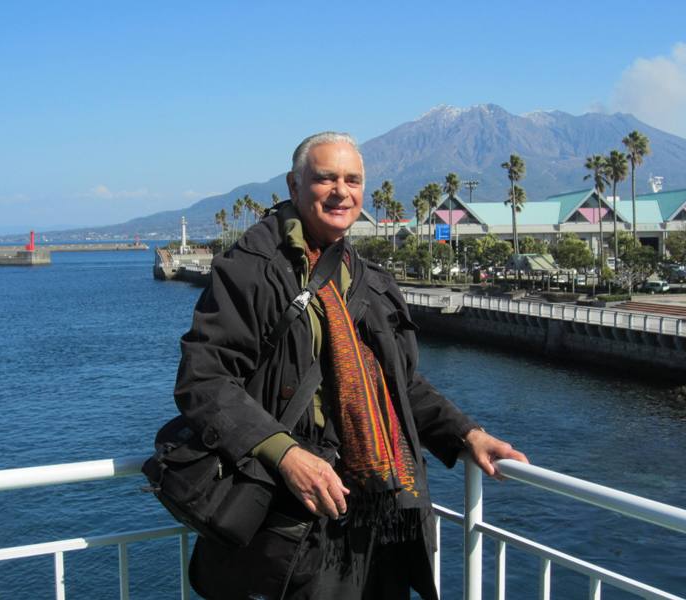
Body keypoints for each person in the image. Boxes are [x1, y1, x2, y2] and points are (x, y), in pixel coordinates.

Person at [174, 131, 528, 600]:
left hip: (380, 515)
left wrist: (467, 434)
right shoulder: (250, 271)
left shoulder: (367, 279)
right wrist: (286, 453)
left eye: (353, 179)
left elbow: (399, 384)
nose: (341, 191)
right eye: (325, 178)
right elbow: (205, 379)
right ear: (294, 185)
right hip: (296, 514)